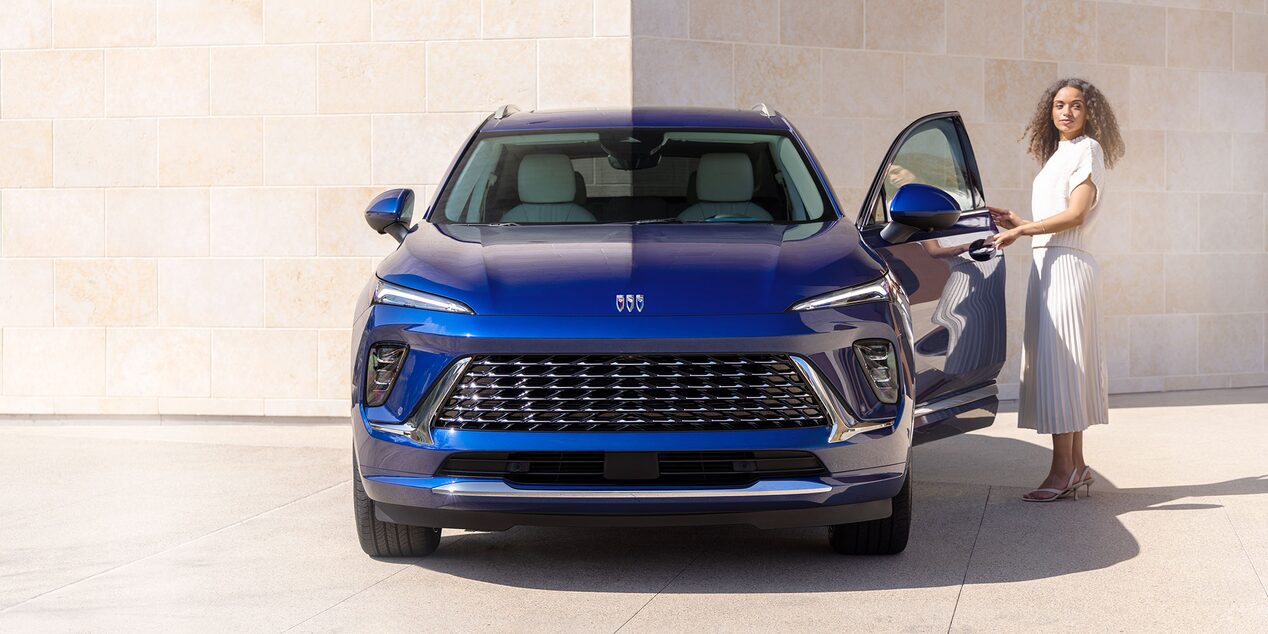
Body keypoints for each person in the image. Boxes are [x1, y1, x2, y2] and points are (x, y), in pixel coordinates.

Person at [987, 78, 1126, 502]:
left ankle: (1062, 470)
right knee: (1062, 369)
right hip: (1049, 265)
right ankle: (1077, 466)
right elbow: (1056, 215)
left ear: (1090, 113)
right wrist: (1020, 220)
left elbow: (1076, 216)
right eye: (1059, 105)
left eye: (1076, 105)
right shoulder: (1059, 155)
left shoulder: (1088, 150)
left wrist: (1026, 229)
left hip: (1067, 268)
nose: (1066, 112)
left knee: (1063, 368)